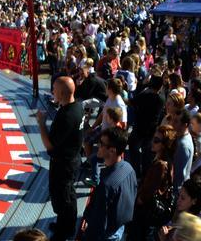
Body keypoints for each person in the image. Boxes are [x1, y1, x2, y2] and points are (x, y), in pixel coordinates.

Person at [36, 76, 82, 241]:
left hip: (63, 164)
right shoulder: (77, 107)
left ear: (61, 93)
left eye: (54, 89)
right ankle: (65, 224)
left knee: (63, 198)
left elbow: (50, 145)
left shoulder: (66, 116)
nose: (52, 92)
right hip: (72, 159)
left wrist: (41, 123)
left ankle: (65, 231)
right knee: (68, 194)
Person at [80, 127, 137, 241]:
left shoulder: (106, 185)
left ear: (112, 150)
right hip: (119, 229)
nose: (98, 146)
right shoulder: (129, 168)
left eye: (101, 143)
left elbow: (98, 223)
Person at [130, 125, 177, 241]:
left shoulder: (160, 166)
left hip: (146, 212)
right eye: (153, 138)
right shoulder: (167, 161)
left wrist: (138, 203)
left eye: (156, 140)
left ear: (164, 145)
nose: (152, 142)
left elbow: (148, 192)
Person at [130, 74, 166, 175]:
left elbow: (132, 102)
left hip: (139, 127)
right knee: (148, 152)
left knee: (134, 148)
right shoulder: (161, 98)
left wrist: (144, 88)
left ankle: (135, 170)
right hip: (151, 129)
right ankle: (145, 173)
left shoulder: (145, 95)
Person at [171, 109, 194, 198]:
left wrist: (174, 194)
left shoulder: (183, 145)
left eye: (176, 121)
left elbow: (179, 174)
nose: (172, 123)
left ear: (185, 125)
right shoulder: (182, 137)